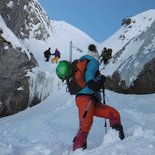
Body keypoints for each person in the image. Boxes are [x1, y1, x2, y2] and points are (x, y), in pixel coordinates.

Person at [56, 44, 125, 151]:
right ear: (96, 56)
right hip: (86, 99)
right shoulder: (92, 63)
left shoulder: (84, 62)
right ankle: (78, 150)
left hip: (89, 100)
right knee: (84, 127)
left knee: (114, 114)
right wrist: (102, 80)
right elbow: (91, 83)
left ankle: (117, 140)